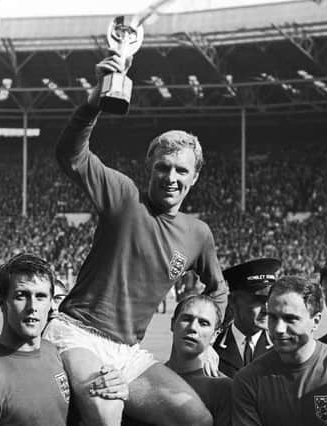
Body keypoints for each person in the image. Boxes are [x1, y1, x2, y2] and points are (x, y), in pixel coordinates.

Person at [44, 52, 227, 425]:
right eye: (162, 167)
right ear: (150, 168)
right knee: (105, 409)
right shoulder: (125, 197)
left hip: (127, 352)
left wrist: (212, 337)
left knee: (198, 420)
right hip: (77, 333)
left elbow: (218, 289)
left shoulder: (198, 235)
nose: (170, 177)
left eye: (181, 170)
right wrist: (93, 104)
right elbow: (71, 156)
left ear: (194, 177)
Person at [0, 253, 128, 426]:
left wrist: (115, 384)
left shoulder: (55, 353)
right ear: (2, 302)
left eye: (41, 296)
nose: (33, 307)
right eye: (21, 295)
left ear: (51, 302)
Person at [232, 276, 327, 426]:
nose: (279, 329)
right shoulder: (249, 380)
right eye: (272, 318)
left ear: (315, 321)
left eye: (290, 319)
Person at [165, 294, 232, 426]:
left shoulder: (224, 390)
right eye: (187, 319)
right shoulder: (150, 376)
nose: (193, 328)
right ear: (173, 324)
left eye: (203, 323)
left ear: (214, 335)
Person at [214, 258, 281, 378]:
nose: (267, 309)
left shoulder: (282, 347)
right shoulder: (212, 347)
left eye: (270, 300)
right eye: (259, 300)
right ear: (233, 301)